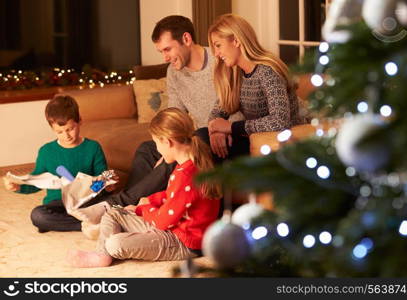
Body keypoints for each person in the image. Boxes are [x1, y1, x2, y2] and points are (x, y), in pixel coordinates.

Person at [97, 15, 243, 208]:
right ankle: (133, 206)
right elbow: (173, 115)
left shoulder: (220, 60)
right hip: (198, 138)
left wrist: (222, 129)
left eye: (168, 49)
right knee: (147, 149)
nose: (165, 57)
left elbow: (236, 101)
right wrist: (163, 147)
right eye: (161, 51)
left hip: (220, 139)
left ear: (186, 39)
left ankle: (119, 204)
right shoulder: (174, 72)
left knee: (187, 144)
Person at [67, 108, 221, 267]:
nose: (157, 149)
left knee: (115, 243)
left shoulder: (186, 175)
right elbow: (172, 196)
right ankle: (102, 254)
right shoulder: (187, 165)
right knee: (114, 213)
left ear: (167, 142)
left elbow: (162, 222)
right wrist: (148, 200)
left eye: (156, 143)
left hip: (183, 241)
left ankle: (109, 249)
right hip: (173, 227)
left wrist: (144, 209)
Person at [202, 13, 305, 159]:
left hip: (282, 142)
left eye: (218, 45)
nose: (216, 54)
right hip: (254, 140)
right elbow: (216, 113)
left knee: (202, 142)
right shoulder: (235, 74)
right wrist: (216, 131)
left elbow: (280, 120)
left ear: (236, 41)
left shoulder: (267, 71)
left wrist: (231, 128)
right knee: (201, 138)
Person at [2, 95, 110, 232]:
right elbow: (36, 182)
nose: (67, 136)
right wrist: (17, 187)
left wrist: (103, 184)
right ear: (52, 129)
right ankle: (86, 225)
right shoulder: (46, 151)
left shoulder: (93, 147)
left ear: (80, 121)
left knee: (108, 206)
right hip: (58, 204)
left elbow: (102, 179)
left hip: (85, 202)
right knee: (38, 216)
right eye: (59, 132)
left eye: (70, 129)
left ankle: (79, 221)